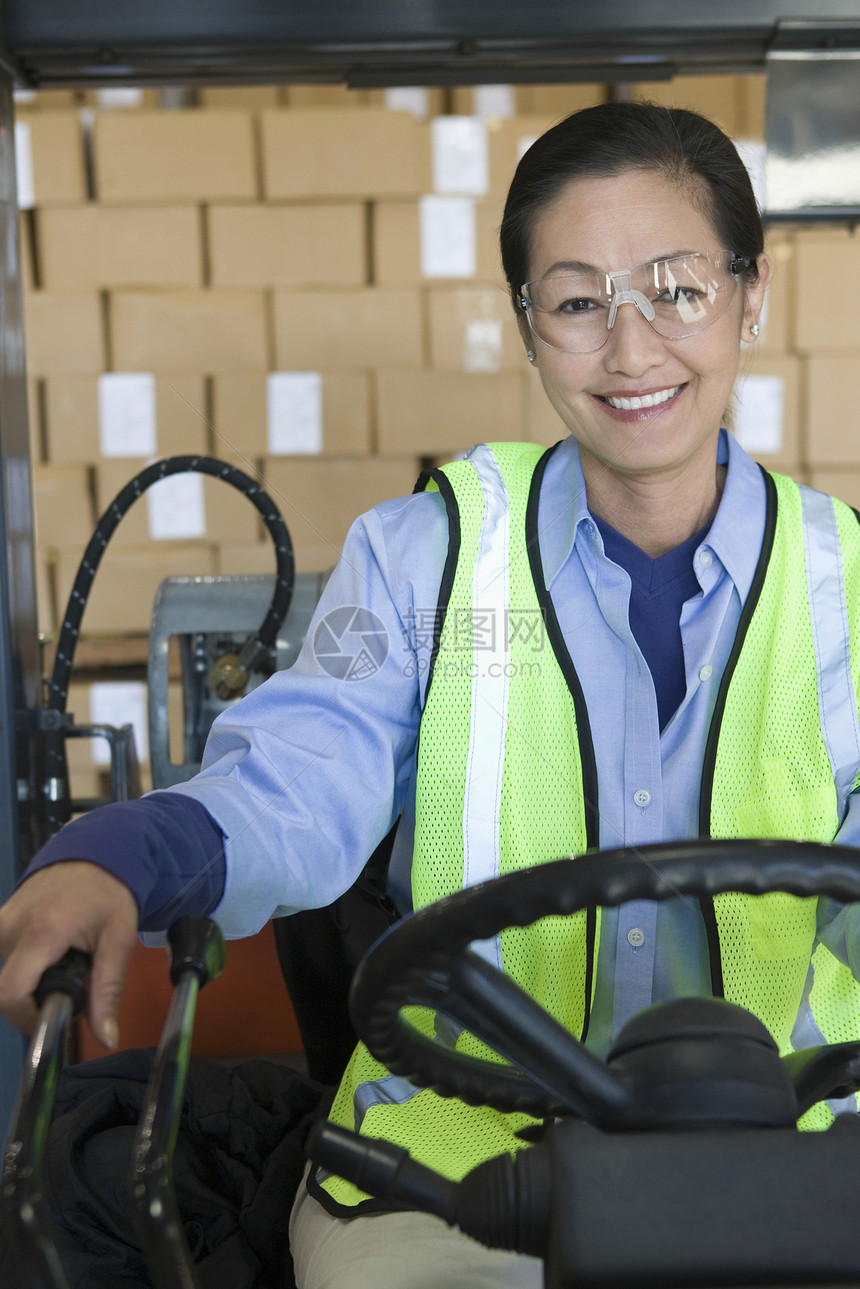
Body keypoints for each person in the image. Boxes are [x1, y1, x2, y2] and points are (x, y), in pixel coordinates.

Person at [3, 99, 860, 1288]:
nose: (629, 350)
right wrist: (122, 851)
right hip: (451, 1158)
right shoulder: (427, 556)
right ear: (524, 323)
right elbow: (298, 777)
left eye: (674, 289)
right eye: (575, 301)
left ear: (747, 294)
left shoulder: (843, 581)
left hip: (793, 1142)